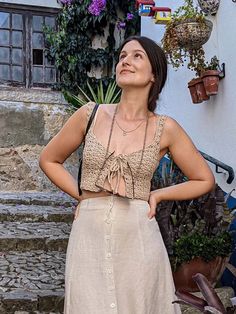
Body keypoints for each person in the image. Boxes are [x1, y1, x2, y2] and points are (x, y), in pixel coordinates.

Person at [39, 35, 215, 314]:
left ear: (154, 74)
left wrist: (158, 194)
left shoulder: (165, 128)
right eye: (122, 56)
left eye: (137, 56)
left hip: (138, 236)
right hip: (89, 234)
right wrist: (82, 196)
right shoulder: (90, 114)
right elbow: (49, 159)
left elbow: (204, 178)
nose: (125, 61)